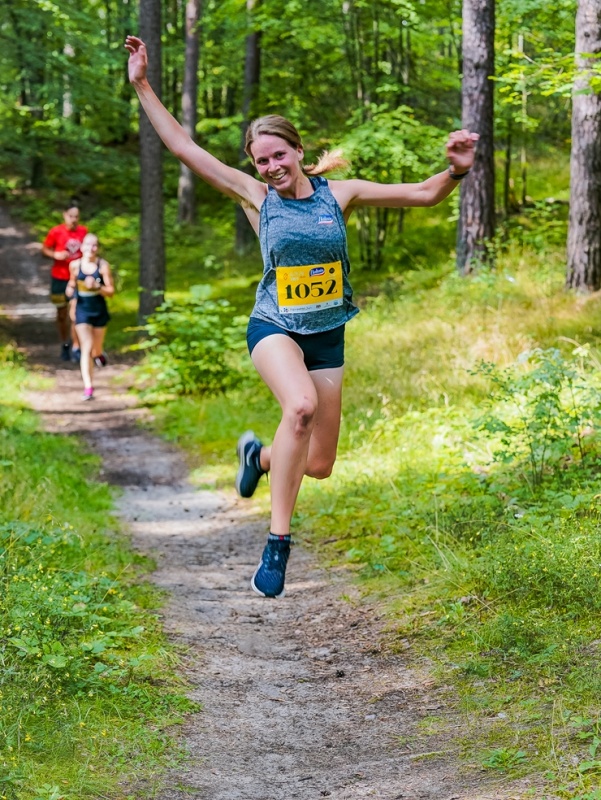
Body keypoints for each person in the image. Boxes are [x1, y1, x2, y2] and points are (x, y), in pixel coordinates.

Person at [125, 34, 478, 599]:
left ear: (296, 150)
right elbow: (184, 148)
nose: (269, 167)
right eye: (260, 161)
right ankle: (277, 543)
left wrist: (456, 171)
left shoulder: (340, 195)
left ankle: (258, 456)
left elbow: (423, 193)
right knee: (300, 407)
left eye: (278, 156)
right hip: (275, 327)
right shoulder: (255, 197)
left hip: (327, 335)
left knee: (317, 464)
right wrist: (143, 83)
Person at [65, 234, 115, 401]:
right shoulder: (74, 265)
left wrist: (97, 287)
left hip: (99, 310)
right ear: (81, 247)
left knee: (96, 349)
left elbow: (111, 292)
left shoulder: (102, 266)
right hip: (82, 310)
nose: (90, 249)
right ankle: (88, 387)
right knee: (86, 347)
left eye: (94, 246)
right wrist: (70, 293)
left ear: (97, 248)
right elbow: (72, 284)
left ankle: (100, 354)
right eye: (87, 245)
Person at [41, 203, 88, 362]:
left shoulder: (83, 232)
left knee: (75, 313)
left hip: (78, 278)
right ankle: (64, 344)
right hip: (59, 277)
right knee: (62, 314)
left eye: (76, 216)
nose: (74, 220)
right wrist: (56, 254)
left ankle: (76, 347)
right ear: (64, 215)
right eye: (71, 216)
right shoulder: (56, 231)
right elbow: (45, 249)